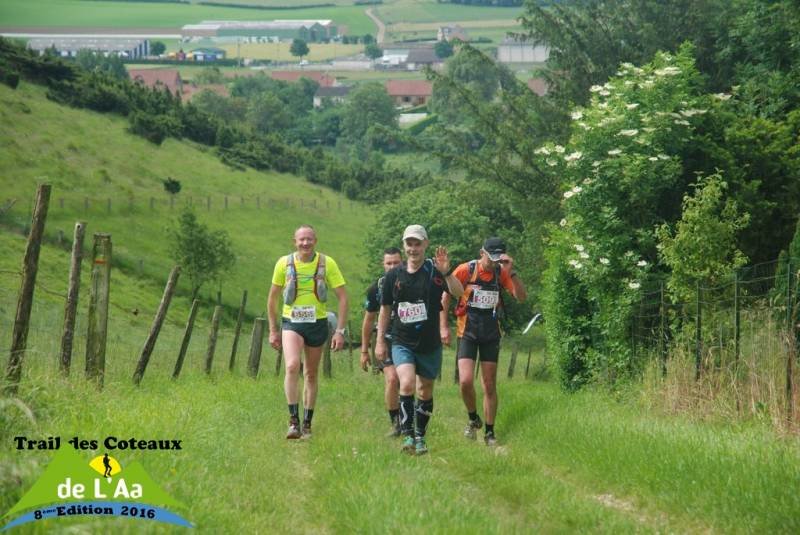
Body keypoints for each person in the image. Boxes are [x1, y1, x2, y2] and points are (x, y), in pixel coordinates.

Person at [375, 225, 464, 455]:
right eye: (409, 244)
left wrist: (447, 273)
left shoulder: (434, 272)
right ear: (404, 246)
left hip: (429, 342)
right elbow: (384, 310)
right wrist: (379, 342)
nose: (413, 249)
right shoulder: (393, 275)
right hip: (402, 340)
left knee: (425, 391)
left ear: (426, 244)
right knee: (405, 383)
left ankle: (420, 436)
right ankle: (406, 436)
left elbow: (458, 292)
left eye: (417, 244)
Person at [268, 225, 348, 440]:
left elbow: (343, 297)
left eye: (309, 239)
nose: (305, 243)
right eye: (301, 239)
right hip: (291, 322)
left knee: (311, 374)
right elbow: (273, 298)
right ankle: (293, 421)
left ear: (316, 240)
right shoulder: (283, 264)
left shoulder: (327, 263)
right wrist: (273, 329)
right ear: (295, 241)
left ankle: (307, 423)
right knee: (292, 365)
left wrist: (340, 331)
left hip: (317, 323)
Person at [444, 237, 526, 447]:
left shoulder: (502, 273)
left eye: (498, 258)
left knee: (489, 384)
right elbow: (445, 297)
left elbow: (521, 297)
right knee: (465, 381)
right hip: (467, 331)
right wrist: (443, 327)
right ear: (482, 252)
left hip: (491, 333)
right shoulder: (466, 270)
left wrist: (512, 272)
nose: (494, 262)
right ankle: (473, 418)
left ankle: (490, 433)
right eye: (491, 258)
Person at [360, 247, 404, 436]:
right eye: (389, 263)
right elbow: (369, 320)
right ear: (383, 265)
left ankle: (408, 419)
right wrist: (364, 351)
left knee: (409, 382)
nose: (392, 266)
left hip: (409, 338)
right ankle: (395, 423)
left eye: (396, 262)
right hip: (385, 339)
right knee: (393, 379)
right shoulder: (376, 288)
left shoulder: (412, 282)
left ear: (402, 262)